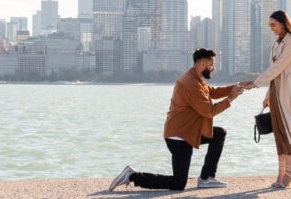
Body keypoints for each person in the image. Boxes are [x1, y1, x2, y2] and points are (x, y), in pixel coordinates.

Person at [108, 48, 251, 192]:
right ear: (203, 64)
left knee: (219, 134)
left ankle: (207, 178)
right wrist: (231, 97)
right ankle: (133, 176)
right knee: (178, 183)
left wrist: (236, 86)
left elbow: (212, 92)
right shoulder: (191, 84)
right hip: (179, 136)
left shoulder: (195, 78)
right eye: (212, 64)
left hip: (187, 132)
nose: (213, 68)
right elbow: (209, 112)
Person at [242, 10, 291, 189]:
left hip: (287, 91)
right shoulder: (276, 42)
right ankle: (283, 174)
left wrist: (256, 83)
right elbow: (273, 69)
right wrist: (267, 96)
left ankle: (288, 173)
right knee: (280, 134)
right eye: (269, 25)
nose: (271, 28)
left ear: (283, 23)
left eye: (273, 24)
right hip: (276, 91)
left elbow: (279, 66)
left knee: (288, 131)